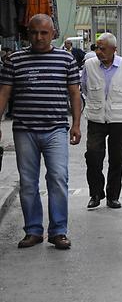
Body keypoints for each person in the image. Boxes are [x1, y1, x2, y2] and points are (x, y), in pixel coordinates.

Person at [0, 14, 81, 250]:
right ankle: (33, 230)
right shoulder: (14, 60)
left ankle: (58, 231)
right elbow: (4, 94)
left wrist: (76, 124)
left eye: (44, 33)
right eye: (34, 32)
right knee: (27, 183)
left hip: (56, 128)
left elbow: (74, 94)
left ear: (53, 34)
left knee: (58, 178)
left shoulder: (66, 60)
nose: (38, 37)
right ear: (27, 34)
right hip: (24, 130)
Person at [81, 33, 122, 211]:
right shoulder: (89, 66)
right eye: (97, 48)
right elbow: (85, 88)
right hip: (96, 118)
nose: (98, 52)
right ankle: (95, 194)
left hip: (120, 119)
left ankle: (113, 196)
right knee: (93, 156)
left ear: (114, 50)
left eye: (102, 48)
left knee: (117, 159)